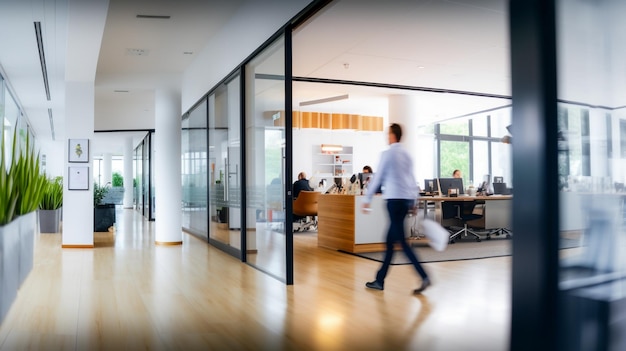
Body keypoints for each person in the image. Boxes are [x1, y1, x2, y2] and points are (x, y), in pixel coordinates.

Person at [362, 123, 430, 294]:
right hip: (405, 201)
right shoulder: (407, 155)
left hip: (393, 201)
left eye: (388, 134)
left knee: (401, 243)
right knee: (390, 242)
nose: (387, 136)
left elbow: (377, 179)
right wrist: (414, 201)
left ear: (393, 135)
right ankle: (379, 279)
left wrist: (367, 198)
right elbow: (412, 179)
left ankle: (424, 276)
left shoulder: (388, 154)